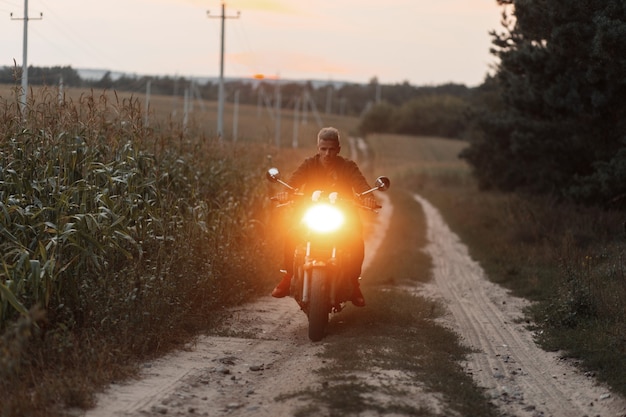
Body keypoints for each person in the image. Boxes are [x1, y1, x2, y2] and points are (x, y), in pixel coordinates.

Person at [270, 127, 378, 307]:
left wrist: (368, 197)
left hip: (343, 216)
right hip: (312, 213)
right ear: (318, 148)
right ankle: (289, 277)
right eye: (323, 149)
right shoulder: (309, 165)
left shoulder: (348, 167)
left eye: (331, 149)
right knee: (291, 235)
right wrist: (285, 193)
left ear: (338, 149)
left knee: (357, 242)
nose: (327, 153)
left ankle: (353, 283)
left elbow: (361, 184)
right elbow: (293, 182)